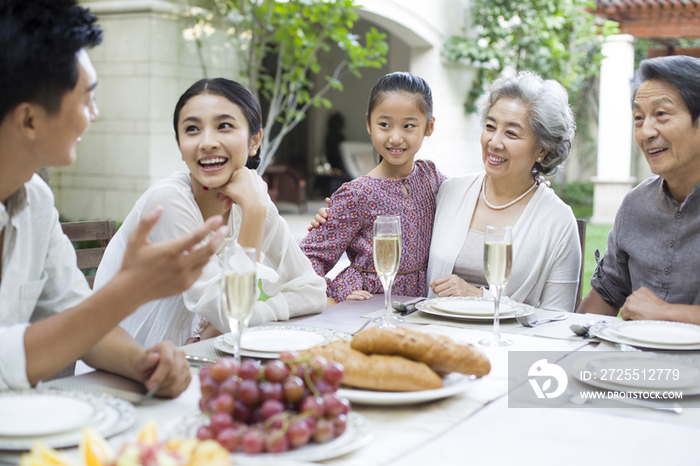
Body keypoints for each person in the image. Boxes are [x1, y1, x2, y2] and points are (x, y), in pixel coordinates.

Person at [0, 0, 225, 394]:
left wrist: (145, 364)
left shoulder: (34, 201)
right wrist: (129, 292)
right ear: (29, 120)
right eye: (87, 98)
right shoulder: (170, 197)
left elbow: (77, 320)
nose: (95, 113)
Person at [94, 78, 326, 348]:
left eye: (224, 126)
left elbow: (312, 290)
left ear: (254, 141)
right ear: (181, 146)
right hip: (132, 367)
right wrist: (253, 212)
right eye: (192, 129)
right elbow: (234, 313)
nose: (206, 142)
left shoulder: (253, 199)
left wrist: (225, 326)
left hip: (202, 354)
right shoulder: (168, 202)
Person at [427, 71, 581, 313]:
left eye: (511, 133)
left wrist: (479, 297)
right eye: (490, 126)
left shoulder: (558, 222)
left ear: (542, 149)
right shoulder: (449, 192)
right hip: (436, 339)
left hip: (509, 347)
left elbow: (557, 321)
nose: (494, 142)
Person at [301, 72, 446, 304]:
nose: (395, 137)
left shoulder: (432, 178)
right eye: (384, 125)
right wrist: (329, 296)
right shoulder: (357, 193)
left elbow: (470, 197)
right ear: (369, 124)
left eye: (409, 125)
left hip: (416, 305)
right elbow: (309, 257)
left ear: (429, 126)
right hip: (364, 303)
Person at [578, 55, 700, 324]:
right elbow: (606, 295)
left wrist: (666, 314)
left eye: (661, 114)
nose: (646, 132)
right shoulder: (635, 204)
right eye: (638, 117)